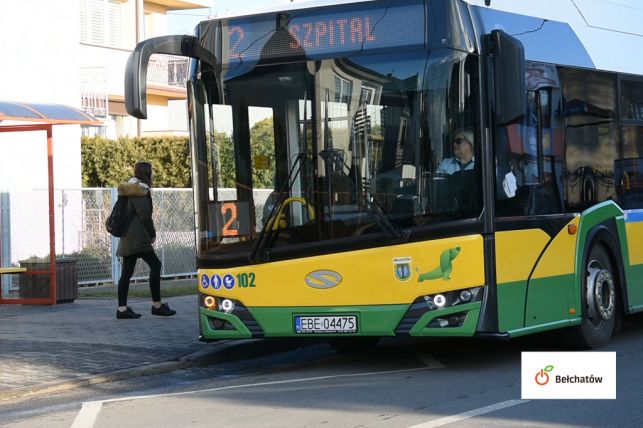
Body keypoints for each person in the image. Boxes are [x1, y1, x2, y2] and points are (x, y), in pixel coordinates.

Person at [115, 161, 176, 319]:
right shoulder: (141, 190)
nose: (153, 174)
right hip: (139, 236)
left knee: (127, 272)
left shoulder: (129, 188)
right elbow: (145, 215)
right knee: (156, 265)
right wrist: (152, 233)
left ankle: (122, 309)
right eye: (152, 171)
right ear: (147, 173)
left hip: (127, 236)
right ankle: (157, 305)